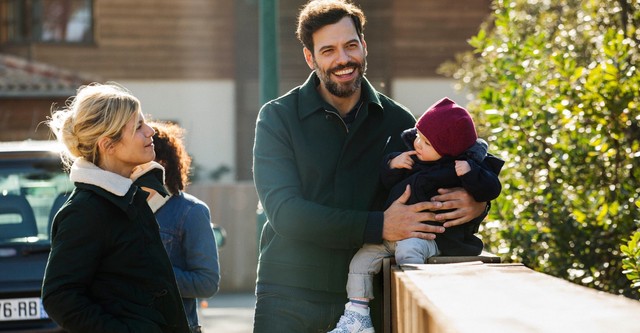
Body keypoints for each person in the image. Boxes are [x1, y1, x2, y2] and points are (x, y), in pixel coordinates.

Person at [252, 1, 489, 332]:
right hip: (289, 294)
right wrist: (380, 227)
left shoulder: (400, 121)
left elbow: (441, 181)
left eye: (350, 45)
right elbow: (285, 214)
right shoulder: (277, 118)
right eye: (328, 50)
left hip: (372, 297)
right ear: (310, 57)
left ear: (364, 45)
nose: (343, 59)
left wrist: (475, 204)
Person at [329, 97, 504, 332]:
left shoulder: (459, 168)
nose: (418, 144)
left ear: (447, 151)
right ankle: (358, 316)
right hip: (388, 236)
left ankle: (419, 306)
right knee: (361, 261)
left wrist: (471, 175)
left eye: (427, 143)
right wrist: (392, 164)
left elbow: (490, 189)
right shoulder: (414, 157)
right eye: (419, 136)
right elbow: (386, 182)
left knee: (408, 253)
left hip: (426, 238)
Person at [42, 82, 190, 333]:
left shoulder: (130, 196)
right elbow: (59, 296)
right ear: (107, 145)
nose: (151, 131)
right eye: (138, 127)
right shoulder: (84, 212)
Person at [146, 121, 221, 333]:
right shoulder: (122, 206)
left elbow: (207, 283)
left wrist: (151, 273)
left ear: (162, 163)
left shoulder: (191, 211)